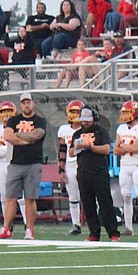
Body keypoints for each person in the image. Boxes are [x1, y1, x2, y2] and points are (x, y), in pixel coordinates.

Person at [0, 92, 49, 241]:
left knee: (30, 198)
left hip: (33, 163)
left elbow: (37, 135)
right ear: (20, 105)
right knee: (10, 198)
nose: (26, 105)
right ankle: (6, 228)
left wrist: (18, 136)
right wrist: (27, 139)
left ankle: (29, 229)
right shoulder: (13, 120)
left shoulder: (40, 120)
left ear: (33, 104)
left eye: (28, 102)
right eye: (24, 102)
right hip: (15, 163)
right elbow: (7, 136)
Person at [69, 107, 119, 242]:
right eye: (83, 121)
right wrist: (78, 147)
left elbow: (107, 149)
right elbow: (70, 152)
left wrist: (90, 147)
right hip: (83, 172)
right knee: (88, 204)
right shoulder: (77, 134)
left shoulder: (100, 131)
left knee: (105, 202)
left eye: (87, 121)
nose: (85, 123)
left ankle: (113, 232)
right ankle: (94, 233)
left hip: (99, 171)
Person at [114, 100, 138, 237]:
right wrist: (125, 148)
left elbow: (136, 148)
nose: (124, 115)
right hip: (124, 165)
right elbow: (115, 151)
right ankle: (128, 228)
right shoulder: (121, 129)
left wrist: (123, 146)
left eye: (126, 112)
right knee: (126, 197)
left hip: (137, 164)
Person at [56, 100, 86, 236]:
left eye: (77, 112)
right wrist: (61, 170)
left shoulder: (86, 129)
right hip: (70, 164)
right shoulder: (64, 129)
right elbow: (62, 150)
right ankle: (76, 224)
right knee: (73, 196)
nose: (75, 115)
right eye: (72, 112)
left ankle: (94, 222)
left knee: (89, 194)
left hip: (84, 163)